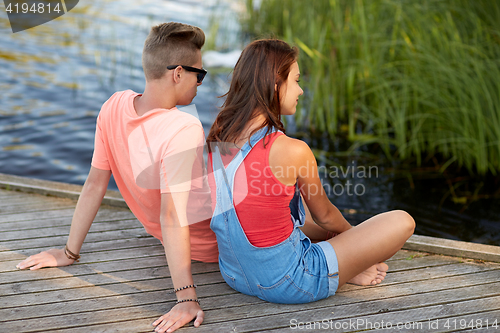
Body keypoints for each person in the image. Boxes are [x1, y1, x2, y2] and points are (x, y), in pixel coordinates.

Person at [16, 22, 217, 332]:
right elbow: (172, 214)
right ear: (178, 73)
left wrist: (69, 252)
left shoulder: (113, 106)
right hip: (221, 239)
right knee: (298, 213)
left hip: (201, 226)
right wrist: (185, 297)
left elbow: (95, 183)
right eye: (199, 75)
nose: (200, 83)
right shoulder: (183, 128)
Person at [206, 39, 415, 304]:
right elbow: (326, 216)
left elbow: (272, 217)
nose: (301, 91)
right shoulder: (291, 150)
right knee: (403, 221)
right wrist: (359, 247)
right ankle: (345, 269)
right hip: (290, 281)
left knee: (296, 212)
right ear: (275, 86)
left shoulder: (220, 134)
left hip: (235, 274)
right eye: (296, 80)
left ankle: (344, 267)